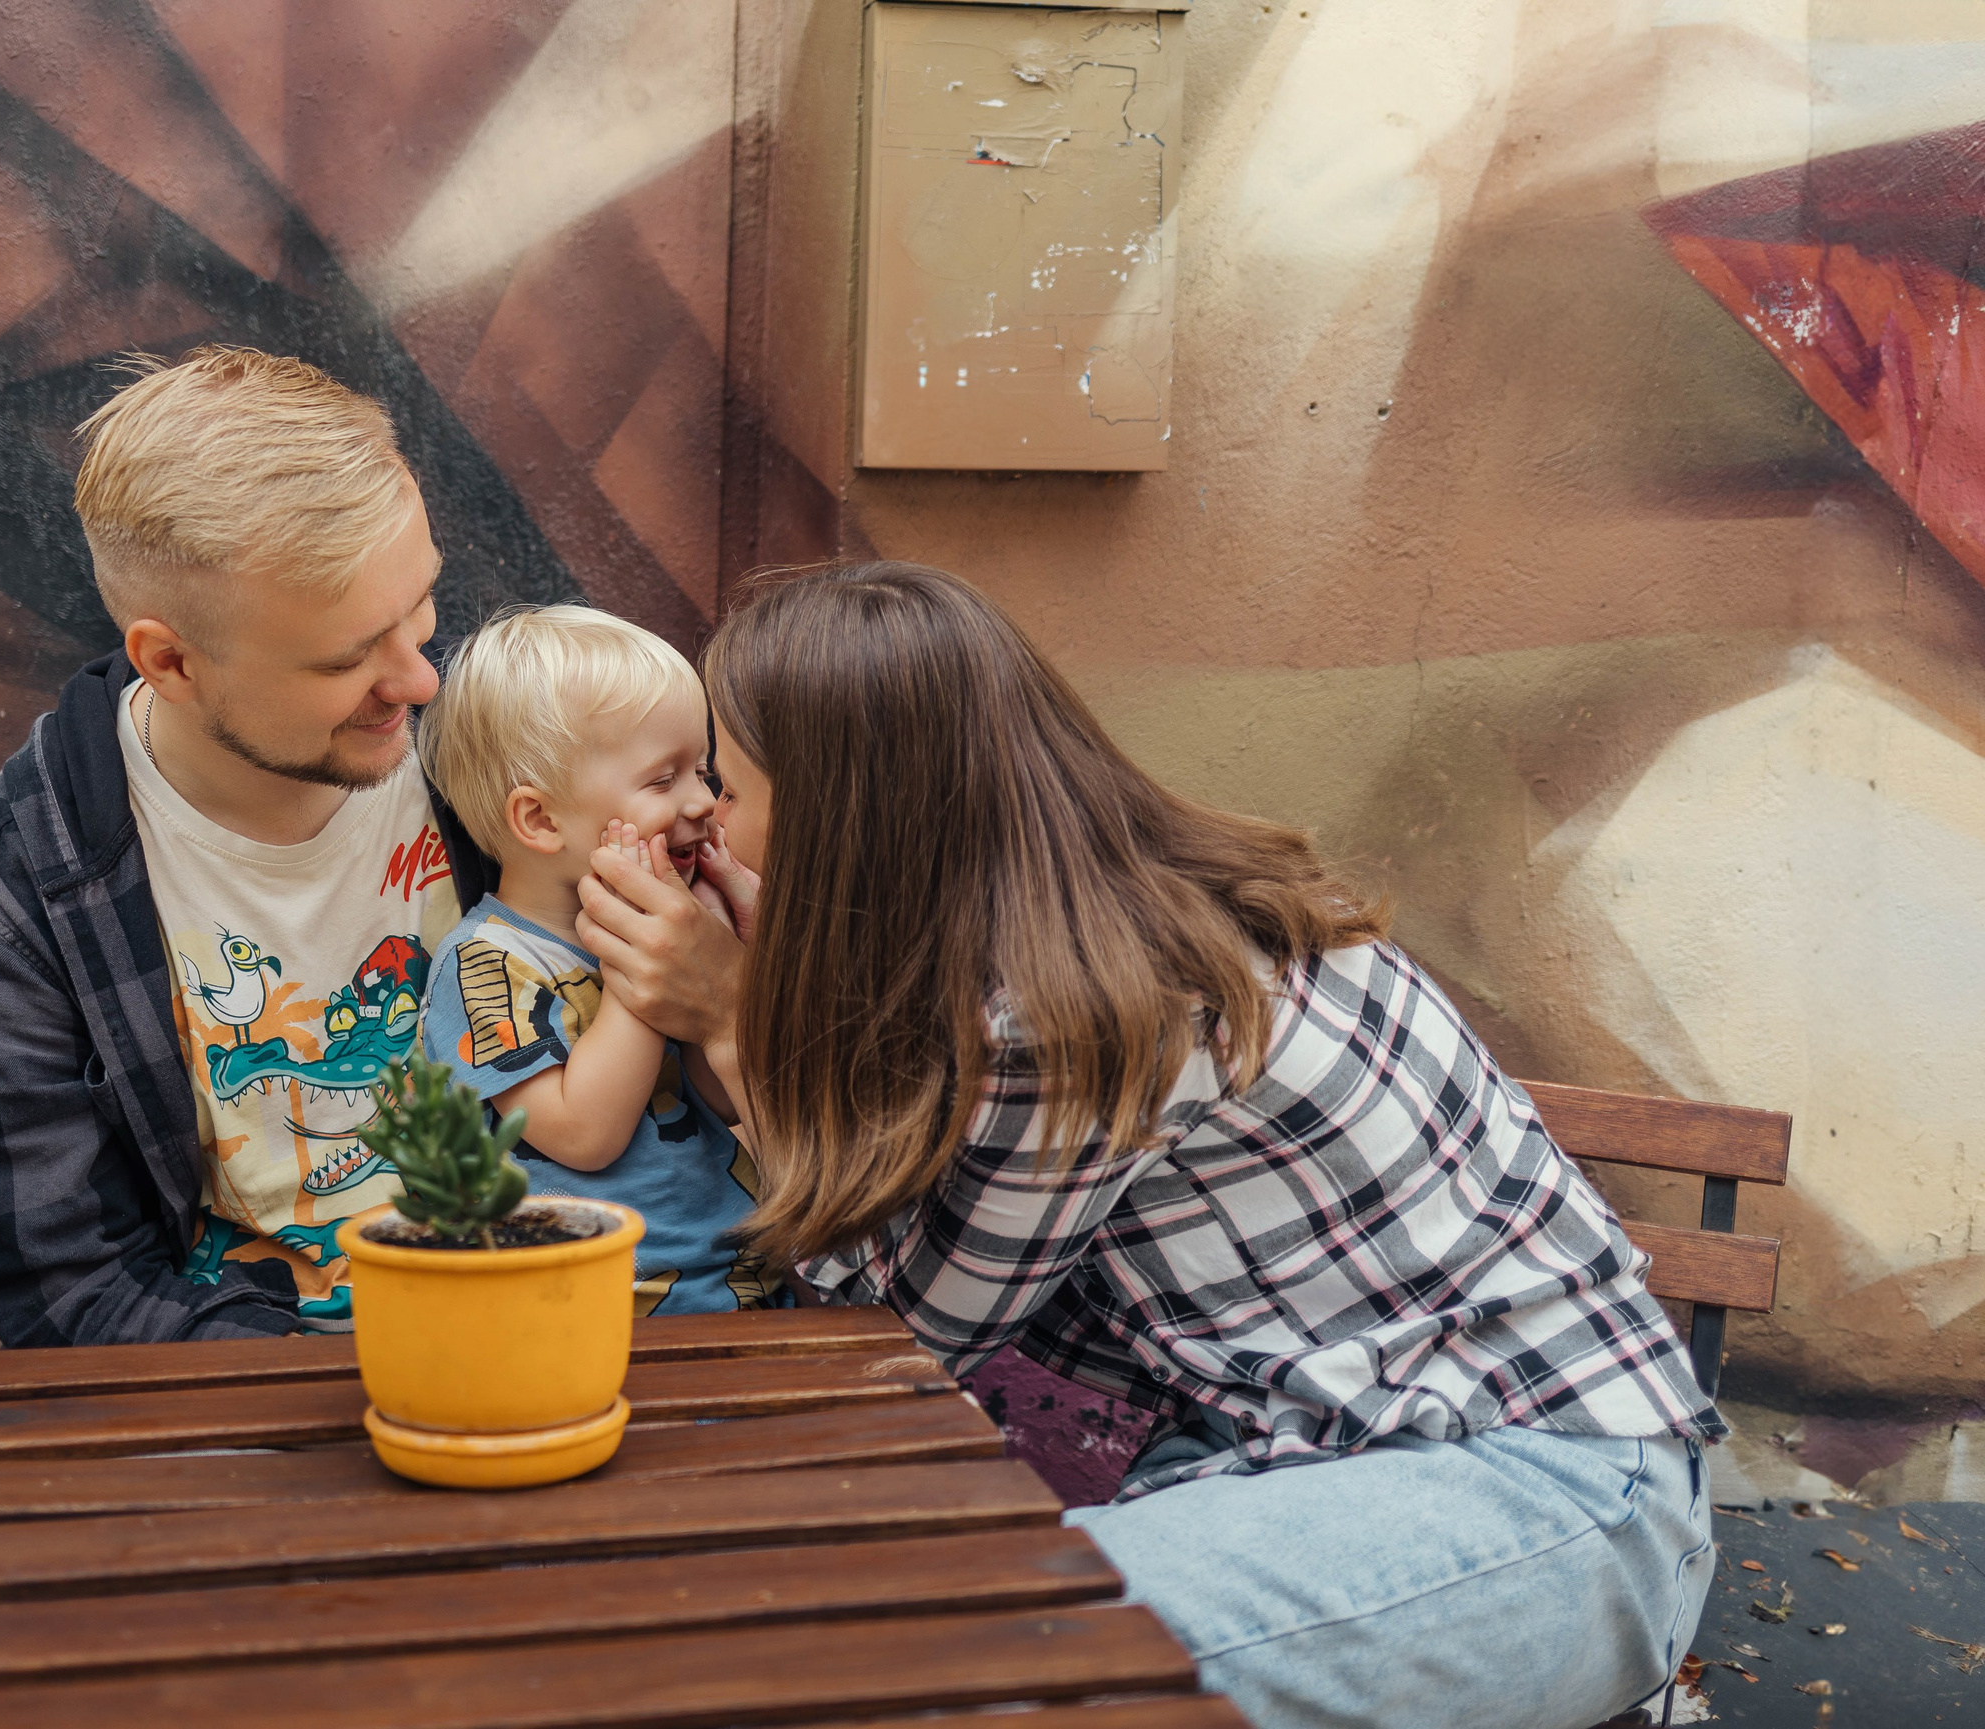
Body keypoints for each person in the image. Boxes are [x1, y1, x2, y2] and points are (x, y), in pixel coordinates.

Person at [575, 562, 1723, 1729]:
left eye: (723, 776)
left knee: (960, 1661)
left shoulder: (1086, 1007)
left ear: (842, 812)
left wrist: (731, 1026)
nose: (704, 811)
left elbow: (903, 1341)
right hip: (1328, 1468)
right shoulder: (1086, 918)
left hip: (1540, 1496)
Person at [0, 348, 735, 1345]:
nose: (419, 682)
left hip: (564, 1340)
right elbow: (70, 1295)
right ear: (171, 660)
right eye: (349, 656)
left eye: (418, 611)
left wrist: (723, 997)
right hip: (250, 1401)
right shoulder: (11, 882)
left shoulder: (493, 769)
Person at [414, 606, 774, 1314]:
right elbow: (583, 1133)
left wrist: (737, 955)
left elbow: (722, 1094)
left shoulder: (669, 935)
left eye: (700, 770)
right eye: (663, 779)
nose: (703, 801)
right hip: (589, 1308)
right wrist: (645, 969)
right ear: (542, 821)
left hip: (732, 1284)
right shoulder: (485, 963)